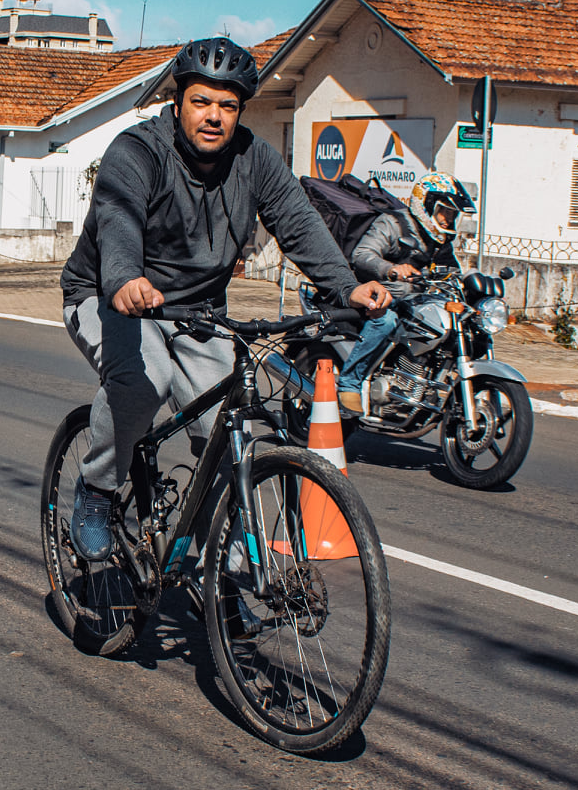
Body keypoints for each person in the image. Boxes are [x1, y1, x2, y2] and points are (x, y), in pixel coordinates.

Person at [59, 36, 390, 562]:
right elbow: (117, 214)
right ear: (178, 103)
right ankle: (97, 491)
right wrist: (123, 278)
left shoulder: (254, 159)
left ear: (239, 111)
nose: (214, 116)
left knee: (230, 427)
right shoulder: (138, 150)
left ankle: (225, 572)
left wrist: (345, 286)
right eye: (201, 101)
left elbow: (298, 221)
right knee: (146, 381)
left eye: (228, 106)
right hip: (109, 297)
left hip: (197, 313)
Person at [334, 171, 477, 414]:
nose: (447, 220)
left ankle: (422, 384)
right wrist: (391, 269)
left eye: (452, 215)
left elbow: (452, 270)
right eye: (445, 212)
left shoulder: (439, 240)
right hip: (379, 296)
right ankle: (350, 383)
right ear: (427, 204)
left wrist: (474, 283)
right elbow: (362, 254)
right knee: (386, 320)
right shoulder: (393, 223)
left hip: (416, 302)